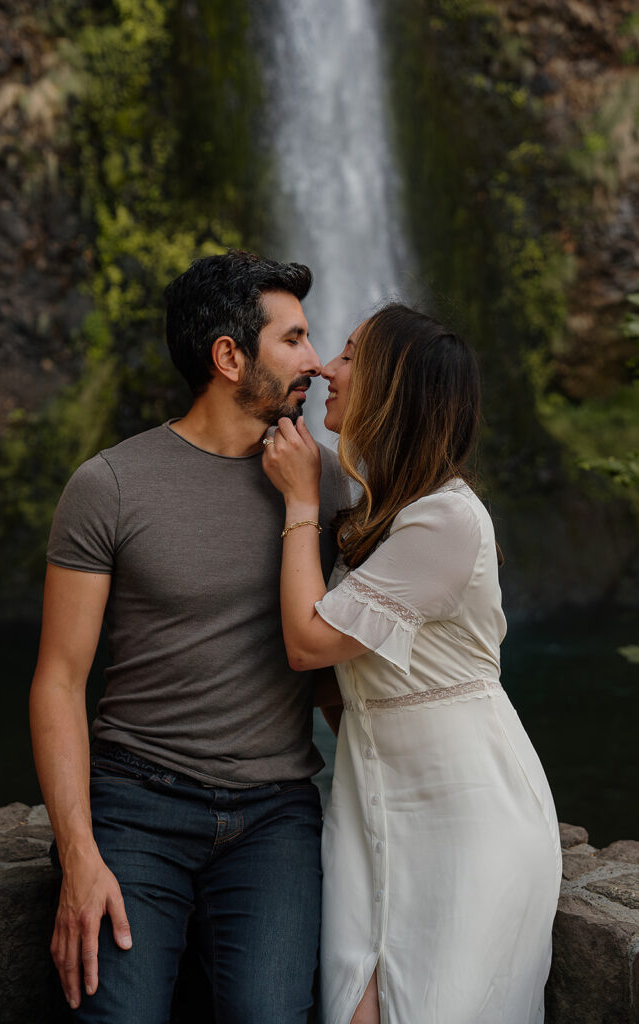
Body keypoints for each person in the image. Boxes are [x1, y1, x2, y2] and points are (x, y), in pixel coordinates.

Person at [29, 250, 348, 1024]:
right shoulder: (109, 485)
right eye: (294, 339)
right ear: (229, 357)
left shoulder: (325, 483)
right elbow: (59, 681)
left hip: (275, 814)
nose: (317, 362)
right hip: (137, 806)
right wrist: (79, 855)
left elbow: (344, 660)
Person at [262, 303, 562, 1024]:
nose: (326, 370)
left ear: (394, 386)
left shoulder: (445, 520)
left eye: (350, 356)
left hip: (469, 814)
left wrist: (300, 500)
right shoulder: (384, 512)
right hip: (369, 800)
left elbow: (308, 643)